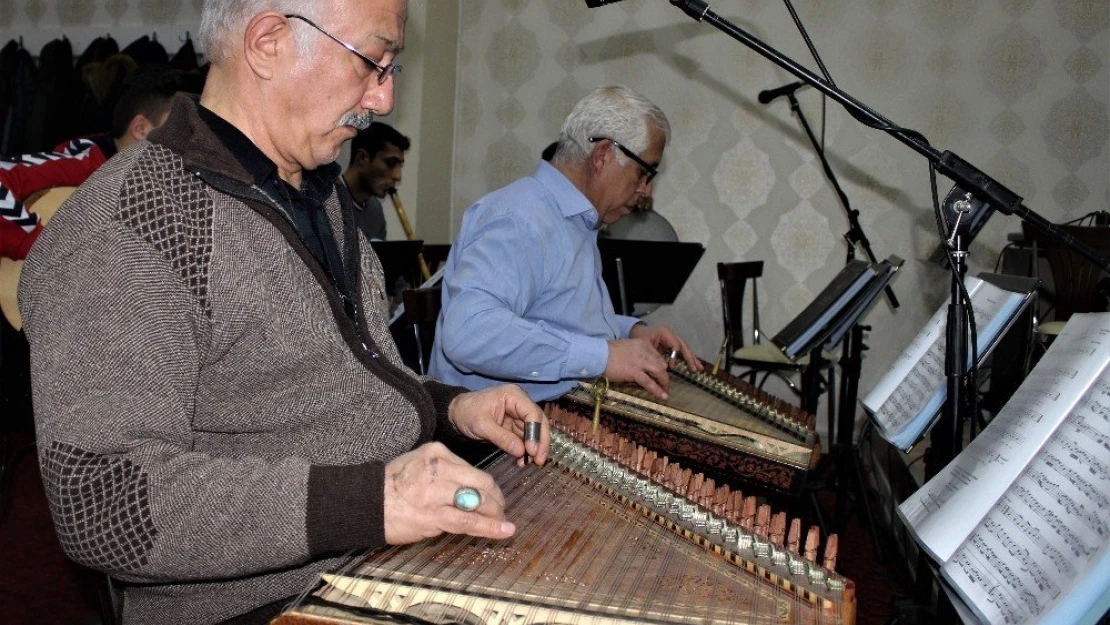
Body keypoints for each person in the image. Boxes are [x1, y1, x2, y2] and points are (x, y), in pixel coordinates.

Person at [19, 1, 550, 623]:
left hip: (367, 570)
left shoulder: (315, 191)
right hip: (262, 606)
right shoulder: (127, 223)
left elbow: (333, 392)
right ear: (269, 42)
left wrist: (451, 409)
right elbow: (107, 502)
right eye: (373, 63)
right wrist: (378, 499)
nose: (382, 100)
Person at [429, 85, 701, 403]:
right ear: (602, 155)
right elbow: (469, 334)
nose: (646, 191)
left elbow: (555, 317)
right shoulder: (520, 215)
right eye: (644, 173)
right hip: (490, 438)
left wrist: (630, 332)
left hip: (552, 415)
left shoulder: (577, 219)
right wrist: (603, 357)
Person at [0, 75, 181, 260]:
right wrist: (44, 249)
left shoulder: (168, 190)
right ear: (140, 128)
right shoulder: (81, 165)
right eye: (181, 131)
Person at [341, 121, 410, 241]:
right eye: (391, 163)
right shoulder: (324, 202)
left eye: (400, 166)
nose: (398, 176)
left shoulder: (375, 209)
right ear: (362, 158)